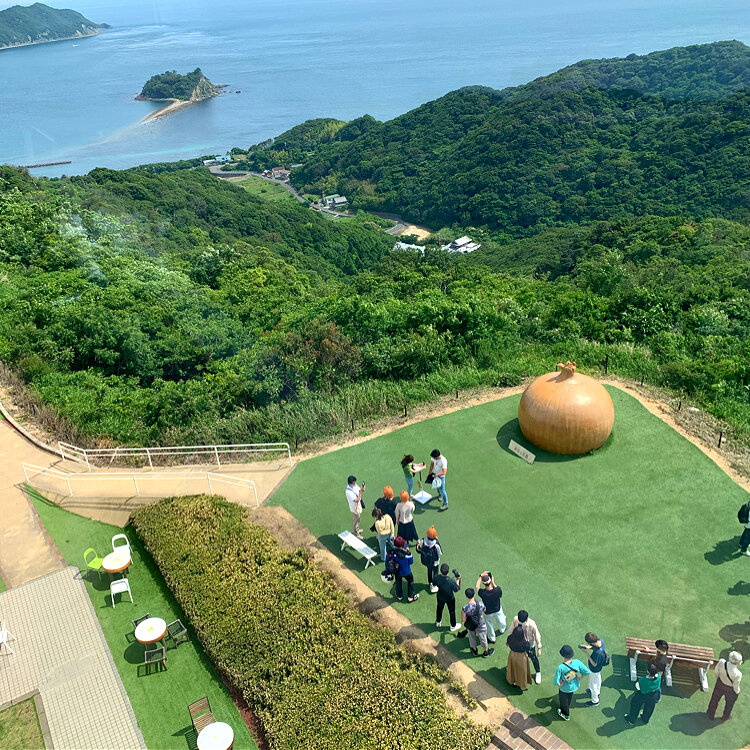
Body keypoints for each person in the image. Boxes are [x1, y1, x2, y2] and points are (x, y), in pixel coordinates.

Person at [554, 644, 590, 721]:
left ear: (563, 655)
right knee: (569, 698)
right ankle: (567, 706)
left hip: (564, 688)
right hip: (574, 686)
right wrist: (580, 678)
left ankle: (566, 715)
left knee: (563, 702)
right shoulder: (577, 662)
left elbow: (556, 681)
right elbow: (587, 672)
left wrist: (560, 684)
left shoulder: (561, 667)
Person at [707, 651, 743, 721]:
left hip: (720, 684)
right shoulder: (738, 674)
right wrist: (737, 692)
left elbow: (716, 672)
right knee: (729, 703)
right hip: (730, 689)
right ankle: (725, 716)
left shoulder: (721, 662)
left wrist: (719, 679)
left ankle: (710, 713)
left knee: (714, 700)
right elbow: (735, 685)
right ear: (737, 662)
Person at [462, 588, 494, 658]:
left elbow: (464, 620)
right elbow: (485, 610)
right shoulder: (480, 604)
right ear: (474, 595)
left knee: (471, 637)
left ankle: (474, 650)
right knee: (483, 637)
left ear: (466, 596)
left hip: (470, 625)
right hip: (480, 624)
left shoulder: (465, 608)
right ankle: (486, 652)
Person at [512, 610, 543, 684]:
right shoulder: (515, 619)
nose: (521, 623)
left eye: (522, 622)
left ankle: (538, 672)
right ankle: (517, 672)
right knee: (519, 657)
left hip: (529, 644)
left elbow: (537, 635)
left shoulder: (532, 624)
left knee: (533, 658)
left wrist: (539, 647)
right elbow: (512, 629)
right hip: (519, 643)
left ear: (526, 619)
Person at [578, 632, 608, 706]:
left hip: (594, 669)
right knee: (597, 679)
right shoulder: (600, 640)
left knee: (593, 684)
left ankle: (595, 701)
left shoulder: (598, 653)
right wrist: (588, 647)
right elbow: (594, 646)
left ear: (591, 642)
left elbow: (594, 664)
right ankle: (597, 692)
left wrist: (587, 653)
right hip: (598, 668)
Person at [476, 571, 506, 643]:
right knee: (501, 620)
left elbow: (477, 585)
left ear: (483, 583)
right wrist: (493, 583)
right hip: (497, 609)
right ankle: (502, 629)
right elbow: (498, 590)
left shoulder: (482, 592)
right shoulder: (497, 590)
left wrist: (481, 576)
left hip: (488, 612)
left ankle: (492, 638)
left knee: (489, 625)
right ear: (491, 581)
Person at [433, 563, 461, 631]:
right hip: (450, 598)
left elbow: (434, 583)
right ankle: (453, 626)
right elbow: (456, 589)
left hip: (440, 597)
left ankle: (438, 622)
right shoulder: (451, 581)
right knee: (452, 611)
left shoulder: (436, 577)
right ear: (448, 571)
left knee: (439, 609)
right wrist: (458, 580)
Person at [390, 536, 419, 603]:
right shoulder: (408, 554)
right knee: (410, 581)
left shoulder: (393, 552)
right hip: (407, 571)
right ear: (403, 545)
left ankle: (399, 596)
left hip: (397, 571)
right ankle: (411, 597)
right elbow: (411, 562)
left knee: (398, 582)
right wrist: (407, 550)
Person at [506, 625, 533, 690]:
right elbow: (528, 648)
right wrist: (526, 640)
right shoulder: (524, 643)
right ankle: (522, 685)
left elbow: (507, 644)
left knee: (512, 669)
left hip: (512, 655)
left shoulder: (510, 638)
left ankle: (513, 681)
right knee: (521, 672)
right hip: (521, 658)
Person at [416, 526, 442, 593]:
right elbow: (440, 553)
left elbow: (420, 547)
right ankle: (434, 585)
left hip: (427, 561)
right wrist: (438, 541)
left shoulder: (423, 540)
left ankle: (430, 582)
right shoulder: (436, 544)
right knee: (435, 573)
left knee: (429, 571)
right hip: (435, 562)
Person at [345, 475, 365, 539]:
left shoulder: (354, 485)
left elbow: (359, 490)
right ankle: (356, 534)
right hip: (354, 508)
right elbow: (356, 500)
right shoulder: (348, 492)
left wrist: (362, 489)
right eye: (354, 482)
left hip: (358, 506)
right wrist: (361, 492)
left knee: (358, 519)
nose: (355, 483)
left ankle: (357, 530)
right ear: (352, 482)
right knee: (356, 521)